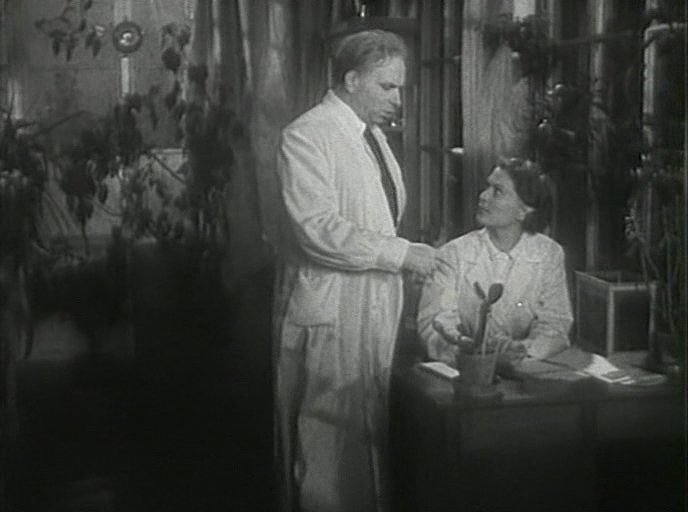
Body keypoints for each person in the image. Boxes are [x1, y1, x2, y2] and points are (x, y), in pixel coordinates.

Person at [273, 29, 443, 512]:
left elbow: (376, 221)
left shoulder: (374, 139)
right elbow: (317, 230)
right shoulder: (306, 136)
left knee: (363, 438)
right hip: (330, 311)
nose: (397, 100)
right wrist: (401, 255)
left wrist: (402, 259)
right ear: (351, 80)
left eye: (400, 89)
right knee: (324, 444)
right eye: (387, 87)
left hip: (372, 306)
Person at [417, 157, 572, 367]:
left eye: (497, 191)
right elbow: (433, 325)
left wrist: (523, 351)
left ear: (523, 211)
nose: (483, 196)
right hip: (464, 370)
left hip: (525, 368)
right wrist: (472, 354)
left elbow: (555, 324)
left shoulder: (548, 254)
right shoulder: (453, 253)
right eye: (487, 187)